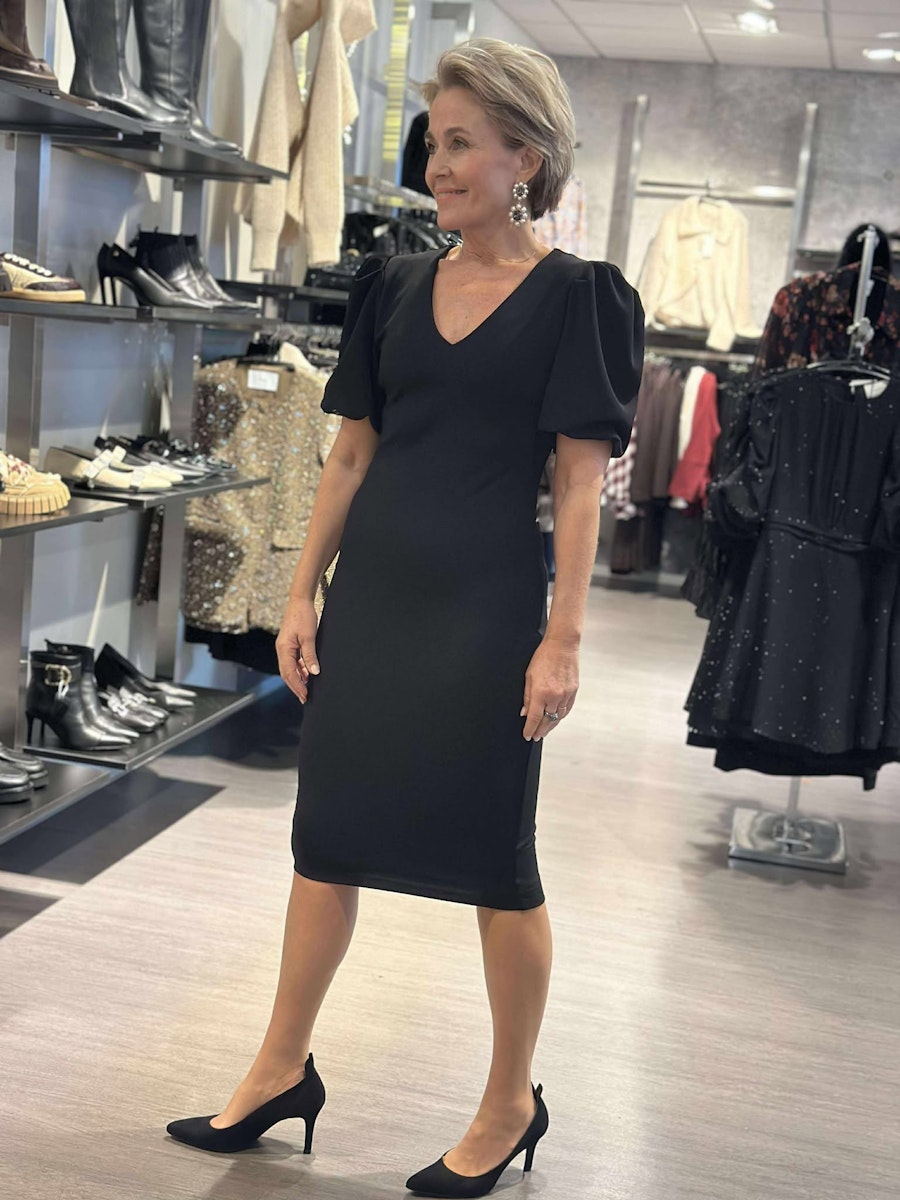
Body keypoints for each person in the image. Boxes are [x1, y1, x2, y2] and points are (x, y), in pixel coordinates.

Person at [166, 36, 643, 1199]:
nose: (439, 165)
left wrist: (564, 637)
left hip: (487, 613)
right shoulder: (391, 284)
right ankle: (280, 1069)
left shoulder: (581, 298)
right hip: (373, 600)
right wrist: (298, 593)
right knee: (325, 840)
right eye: (434, 142)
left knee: (496, 862)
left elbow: (580, 485)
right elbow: (349, 456)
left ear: (526, 156)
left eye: (463, 144)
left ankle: (511, 1101)